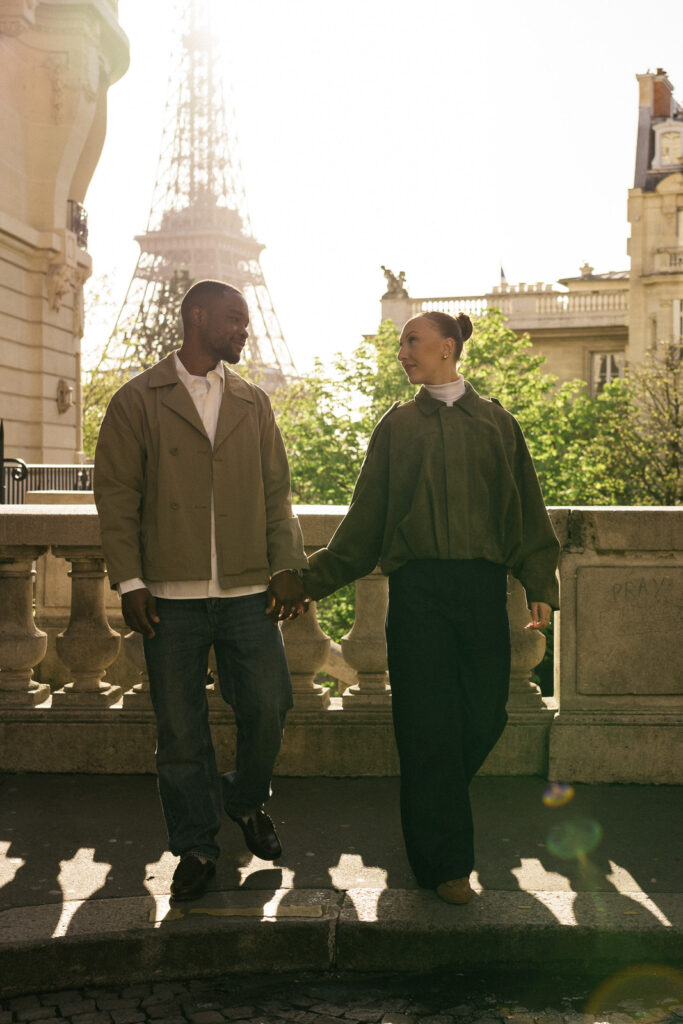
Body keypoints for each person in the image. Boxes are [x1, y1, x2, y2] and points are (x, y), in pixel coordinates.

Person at [302, 310, 559, 905]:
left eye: (412, 341)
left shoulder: (497, 423)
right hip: (416, 594)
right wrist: (310, 582)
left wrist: (539, 581)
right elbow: (363, 524)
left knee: (485, 715)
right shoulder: (397, 428)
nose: (402, 352)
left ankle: (430, 808)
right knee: (426, 727)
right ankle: (447, 865)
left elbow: (525, 509)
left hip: (480, 590)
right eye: (400, 343)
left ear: (448, 348)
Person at [94, 280, 308, 901]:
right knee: (181, 731)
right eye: (234, 319)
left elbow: (277, 497)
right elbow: (117, 498)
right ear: (197, 316)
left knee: (270, 704)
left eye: (245, 319)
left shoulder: (252, 403)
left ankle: (244, 801)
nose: (245, 329)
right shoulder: (137, 400)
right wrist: (130, 580)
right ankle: (195, 845)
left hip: (246, 592)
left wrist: (288, 564)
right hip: (166, 596)